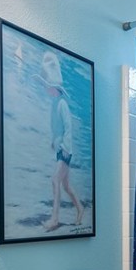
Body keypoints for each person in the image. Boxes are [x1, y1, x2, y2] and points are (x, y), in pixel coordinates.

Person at [39, 51, 84, 231]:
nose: (46, 89)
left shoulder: (62, 104)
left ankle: (55, 219)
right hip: (60, 149)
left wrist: (65, 147)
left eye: (48, 86)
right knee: (65, 185)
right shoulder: (54, 103)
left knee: (54, 180)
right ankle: (80, 210)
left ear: (55, 88)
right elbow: (56, 128)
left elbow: (68, 127)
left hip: (66, 150)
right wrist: (53, 141)